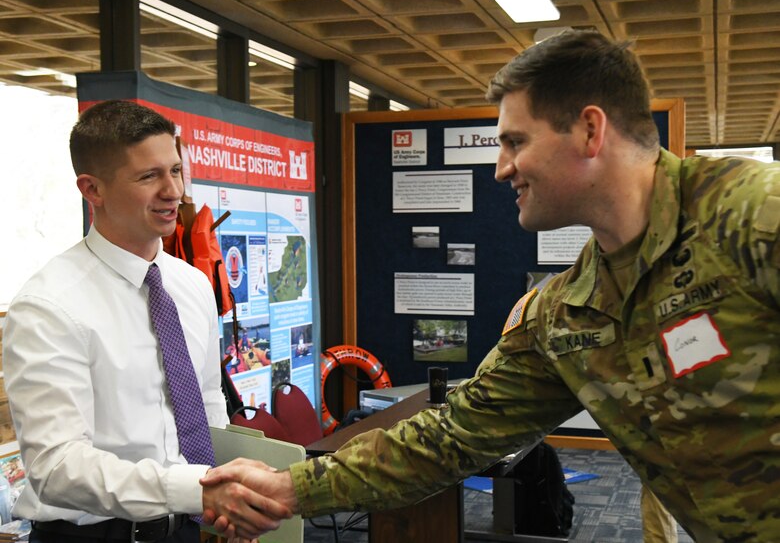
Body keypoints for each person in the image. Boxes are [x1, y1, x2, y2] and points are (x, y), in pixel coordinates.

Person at [201, 30, 780, 542]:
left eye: (515, 141)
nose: (501, 167)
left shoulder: (751, 216)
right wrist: (289, 489)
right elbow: (454, 436)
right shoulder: (565, 313)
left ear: (589, 129)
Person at [3, 100, 290, 542]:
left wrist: (225, 507)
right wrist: (196, 492)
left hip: (192, 528)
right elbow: (56, 468)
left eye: (175, 170)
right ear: (92, 190)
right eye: (149, 176)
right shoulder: (49, 306)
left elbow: (209, 405)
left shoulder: (192, 285)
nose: (173, 190)